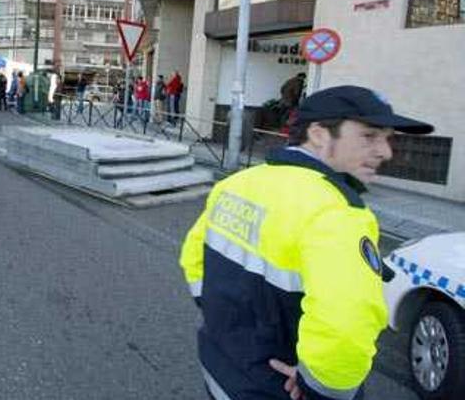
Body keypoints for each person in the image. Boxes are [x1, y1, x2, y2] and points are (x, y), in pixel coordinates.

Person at [179, 86, 433, 400]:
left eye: (387, 138)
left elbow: (194, 257)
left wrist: (224, 319)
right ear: (318, 135)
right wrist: (321, 389)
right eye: (369, 136)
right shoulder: (336, 211)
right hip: (278, 388)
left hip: (221, 366)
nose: (386, 152)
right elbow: (346, 324)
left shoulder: (238, 183)